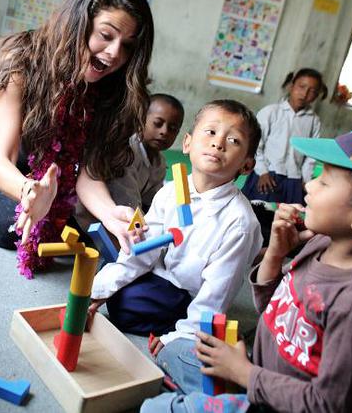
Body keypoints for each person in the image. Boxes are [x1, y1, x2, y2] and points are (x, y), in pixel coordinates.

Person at [141, 122, 352, 413]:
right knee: (179, 349)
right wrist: (276, 254)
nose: (309, 186)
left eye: (325, 181)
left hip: (278, 402)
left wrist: (244, 373)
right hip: (262, 377)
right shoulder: (320, 245)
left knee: (155, 408)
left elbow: (328, 403)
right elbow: (272, 311)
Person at [0, 0, 154, 277]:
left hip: (34, 161)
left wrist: (109, 214)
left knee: (68, 217)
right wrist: (29, 191)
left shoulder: (111, 89)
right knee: (9, 227)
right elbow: (1, 161)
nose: (114, 53)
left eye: (127, 46)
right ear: (78, 23)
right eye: (106, 35)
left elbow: (89, 173)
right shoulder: (21, 59)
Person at [89, 100, 262, 344]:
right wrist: (97, 292)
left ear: (246, 165)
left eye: (233, 140)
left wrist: (180, 335)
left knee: (128, 305)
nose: (218, 143)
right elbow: (144, 249)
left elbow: (218, 291)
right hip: (161, 272)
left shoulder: (240, 223)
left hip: (188, 292)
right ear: (187, 143)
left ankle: (177, 320)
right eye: (211, 132)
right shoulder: (171, 190)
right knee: (108, 277)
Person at [74, 93, 184, 233]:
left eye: (173, 129)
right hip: (87, 221)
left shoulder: (159, 163)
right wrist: (150, 232)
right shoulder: (127, 152)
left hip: (119, 220)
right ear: (142, 119)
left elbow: (152, 203)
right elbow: (128, 203)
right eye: (157, 123)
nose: (164, 132)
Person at [241, 68, 328, 205]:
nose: (305, 94)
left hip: (295, 180)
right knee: (256, 215)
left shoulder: (314, 121)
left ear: (317, 95)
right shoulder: (271, 112)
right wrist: (262, 172)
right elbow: (255, 145)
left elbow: (311, 155)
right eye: (302, 86)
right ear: (291, 85)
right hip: (266, 176)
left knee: (289, 220)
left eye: (312, 91)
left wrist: (305, 180)